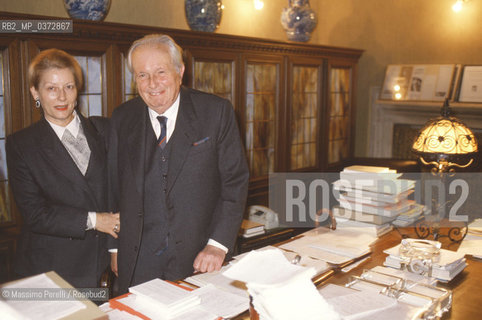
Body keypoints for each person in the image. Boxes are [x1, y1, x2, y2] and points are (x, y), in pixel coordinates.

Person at [108, 34, 249, 294]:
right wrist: (115, 248)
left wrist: (217, 245)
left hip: (201, 259)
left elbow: (235, 183)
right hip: (138, 262)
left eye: (160, 72)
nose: (152, 84)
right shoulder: (121, 118)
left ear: (179, 71)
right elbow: (113, 188)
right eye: (142, 75)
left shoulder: (216, 112)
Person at [6, 48, 120, 288]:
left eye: (68, 87)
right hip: (51, 269)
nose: (61, 97)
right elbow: (34, 213)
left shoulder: (105, 130)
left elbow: (121, 192)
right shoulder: (21, 144)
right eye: (51, 88)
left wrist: (116, 247)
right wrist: (95, 220)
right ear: (35, 92)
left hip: (104, 265)